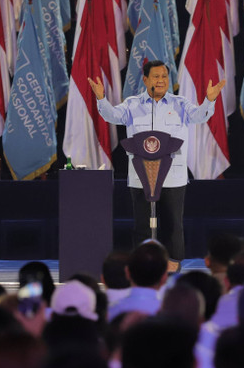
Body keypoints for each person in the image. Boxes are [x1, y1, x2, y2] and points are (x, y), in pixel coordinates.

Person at [89, 60, 226, 271]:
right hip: (141, 175)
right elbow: (112, 116)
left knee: (172, 223)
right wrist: (101, 98)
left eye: (164, 76)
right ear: (145, 79)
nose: (161, 80)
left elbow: (200, 116)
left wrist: (209, 100)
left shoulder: (180, 104)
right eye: (156, 76)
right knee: (143, 223)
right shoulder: (132, 104)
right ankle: (142, 262)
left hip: (173, 176)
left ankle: (173, 262)